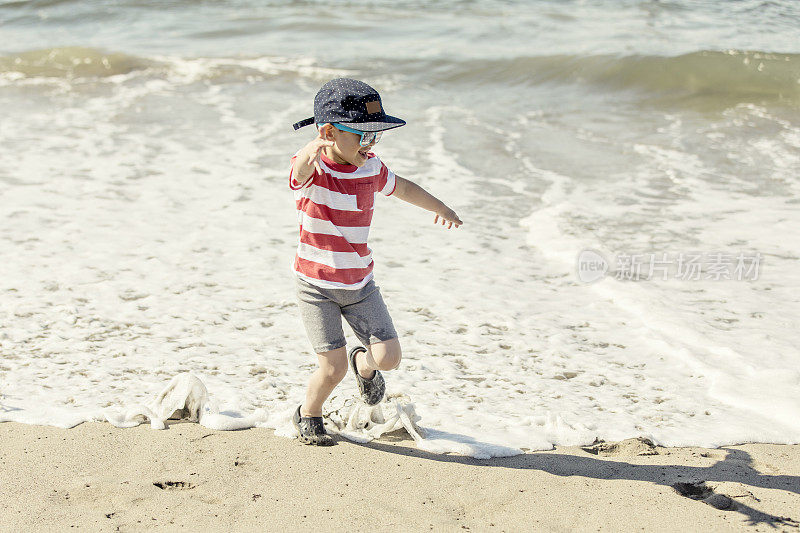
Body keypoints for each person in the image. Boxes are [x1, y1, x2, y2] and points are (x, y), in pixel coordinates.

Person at [288, 78, 463, 445]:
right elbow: (298, 173)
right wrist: (309, 151)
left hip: (360, 284)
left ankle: (362, 366)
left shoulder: (370, 168)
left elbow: (403, 188)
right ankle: (309, 414)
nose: (369, 145)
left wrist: (440, 206)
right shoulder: (316, 170)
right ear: (329, 132)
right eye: (361, 136)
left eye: (375, 137)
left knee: (388, 358)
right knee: (331, 369)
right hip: (316, 285)